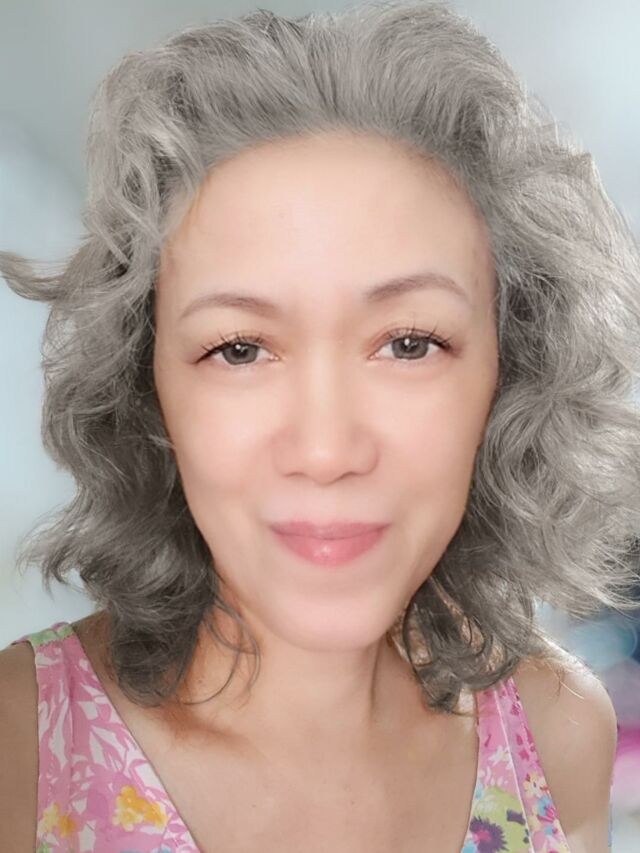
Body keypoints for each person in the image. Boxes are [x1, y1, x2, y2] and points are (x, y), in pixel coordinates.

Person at [1, 1, 639, 850]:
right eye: (239, 349)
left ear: (512, 372)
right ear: (147, 390)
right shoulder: (16, 751)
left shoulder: (560, 733)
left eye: (409, 343)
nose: (328, 449)